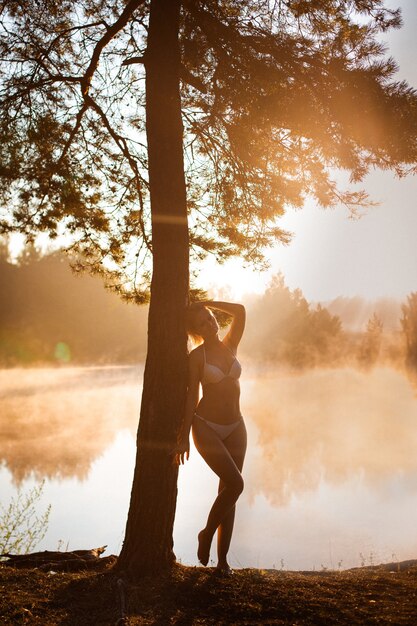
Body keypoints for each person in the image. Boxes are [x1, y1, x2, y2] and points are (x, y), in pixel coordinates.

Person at [174, 300, 247, 574]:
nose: (211, 322)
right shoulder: (198, 357)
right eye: (203, 322)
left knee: (229, 491)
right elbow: (192, 395)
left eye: (211, 317)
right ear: (196, 330)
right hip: (207, 426)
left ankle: (223, 562)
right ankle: (205, 534)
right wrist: (183, 436)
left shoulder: (231, 344)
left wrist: (206, 302)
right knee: (236, 484)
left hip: (236, 425)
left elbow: (239, 311)